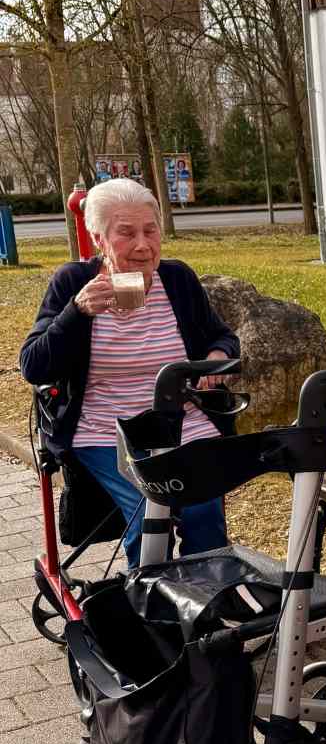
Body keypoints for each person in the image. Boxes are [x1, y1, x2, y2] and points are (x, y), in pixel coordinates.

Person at [20, 177, 239, 569]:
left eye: (150, 230)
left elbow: (222, 336)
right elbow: (34, 365)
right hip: (106, 430)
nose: (143, 245)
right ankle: (153, 611)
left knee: (203, 509)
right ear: (99, 239)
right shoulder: (73, 282)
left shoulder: (177, 279)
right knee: (149, 513)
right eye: (126, 233)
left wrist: (216, 355)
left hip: (183, 422)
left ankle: (205, 606)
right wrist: (76, 312)